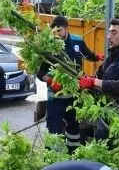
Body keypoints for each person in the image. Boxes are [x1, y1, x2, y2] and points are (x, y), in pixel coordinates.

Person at [39, 15, 103, 152]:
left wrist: (97, 57)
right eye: (54, 31)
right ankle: (50, 158)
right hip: (56, 98)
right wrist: (50, 81)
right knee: (53, 130)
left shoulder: (77, 41)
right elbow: (39, 72)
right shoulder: (48, 46)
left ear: (67, 29)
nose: (56, 34)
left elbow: (87, 54)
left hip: (74, 97)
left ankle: (73, 154)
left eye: (59, 31)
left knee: (74, 128)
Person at [78, 19, 119, 141]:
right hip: (108, 111)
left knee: (115, 148)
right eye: (109, 32)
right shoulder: (113, 57)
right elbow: (99, 75)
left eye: (114, 33)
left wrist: (94, 82)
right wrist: (87, 80)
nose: (108, 37)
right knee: (101, 144)